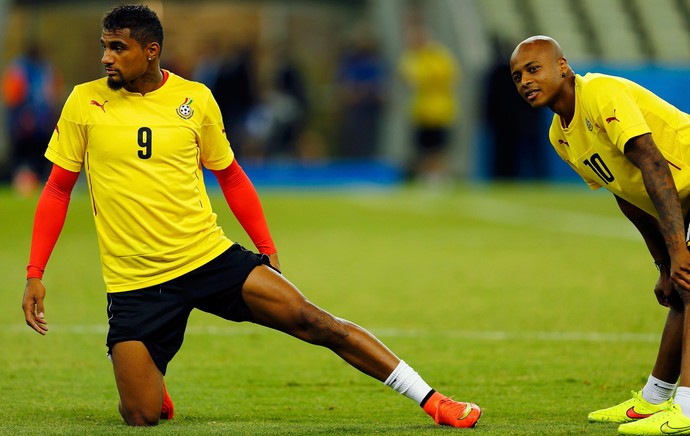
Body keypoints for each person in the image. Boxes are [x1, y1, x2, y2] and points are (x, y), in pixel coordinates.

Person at [21, 4, 481, 429]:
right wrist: (35, 273)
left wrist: (266, 248)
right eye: (105, 46)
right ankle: (149, 384)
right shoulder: (84, 102)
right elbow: (58, 188)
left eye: (117, 47)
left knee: (316, 321)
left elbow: (233, 177)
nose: (106, 57)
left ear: (150, 50)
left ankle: (434, 401)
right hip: (135, 284)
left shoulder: (195, 100)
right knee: (140, 415)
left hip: (207, 258)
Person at [510, 35, 690, 435]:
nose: (524, 81)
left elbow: (652, 162)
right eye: (517, 76)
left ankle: (687, 410)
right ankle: (654, 400)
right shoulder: (560, 136)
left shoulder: (601, 92)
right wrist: (664, 263)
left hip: (684, 184)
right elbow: (624, 194)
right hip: (682, 199)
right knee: (681, 288)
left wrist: (679, 249)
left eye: (533, 69)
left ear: (562, 66)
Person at [398, 22, 459, 186]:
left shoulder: (439, 56)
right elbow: (408, 77)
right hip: (421, 110)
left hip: (439, 109)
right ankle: (426, 175)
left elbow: (444, 77)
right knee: (422, 146)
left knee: (438, 147)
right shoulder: (413, 57)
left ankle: (438, 175)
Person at [2, 41, 62, 195]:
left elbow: (53, 94)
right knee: (24, 155)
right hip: (29, 122)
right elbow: (14, 95)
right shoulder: (30, 68)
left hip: (38, 123)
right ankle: (21, 184)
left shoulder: (34, 68)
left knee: (35, 156)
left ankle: (31, 185)